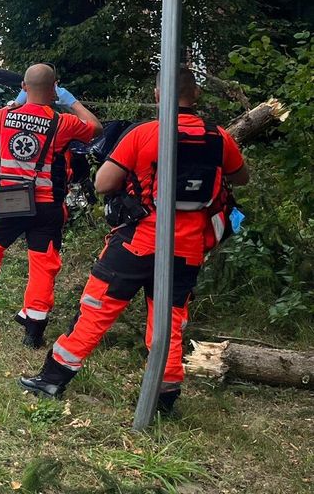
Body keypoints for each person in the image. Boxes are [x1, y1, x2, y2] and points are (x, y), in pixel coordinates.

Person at [20, 67, 249, 413]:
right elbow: (240, 177)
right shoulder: (219, 138)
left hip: (137, 243)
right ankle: (165, 396)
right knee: (169, 321)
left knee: (96, 308)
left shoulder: (145, 134)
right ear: (196, 94)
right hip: (187, 249)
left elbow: (103, 183)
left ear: (158, 95)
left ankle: (54, 378)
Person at [0, 64, 102, 347]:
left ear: (23, 87)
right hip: (48, 207)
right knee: (43, 264)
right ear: (54, 88)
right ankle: (33, 332)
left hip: (11, 200)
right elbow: (95, 128)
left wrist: (16, 103)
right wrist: (70, 101)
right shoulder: (63, 123)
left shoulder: (6, 116)